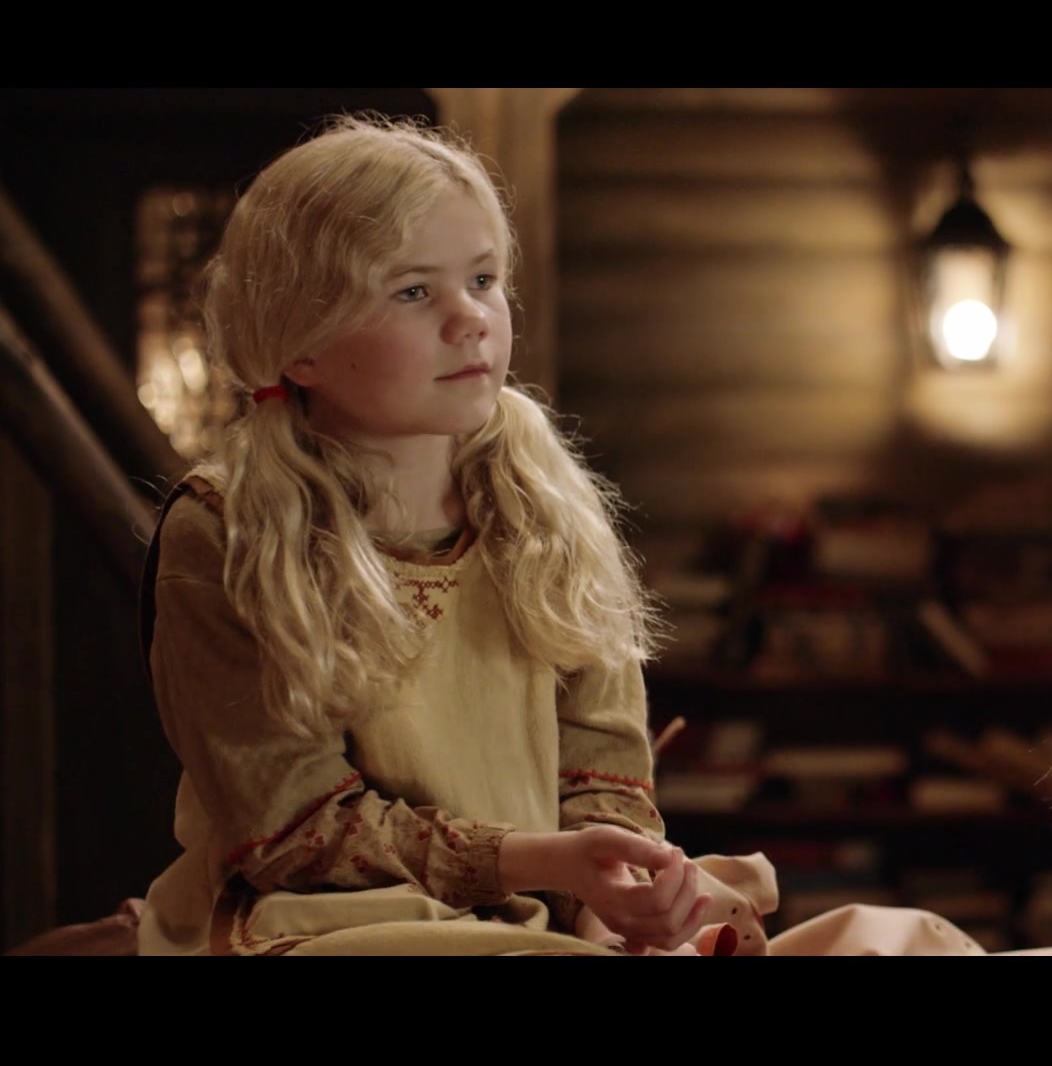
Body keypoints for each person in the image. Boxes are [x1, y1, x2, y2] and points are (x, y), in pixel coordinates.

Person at [136, 113, 728, 956]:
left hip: (537, 915)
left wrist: (616, 901)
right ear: (299, 342)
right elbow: (294, 831)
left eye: (483, 279)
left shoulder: (545, 501)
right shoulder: (226, 531)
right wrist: (542, 863)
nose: (471, 318)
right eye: (413, 292)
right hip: (322, 922)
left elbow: (601, 765)